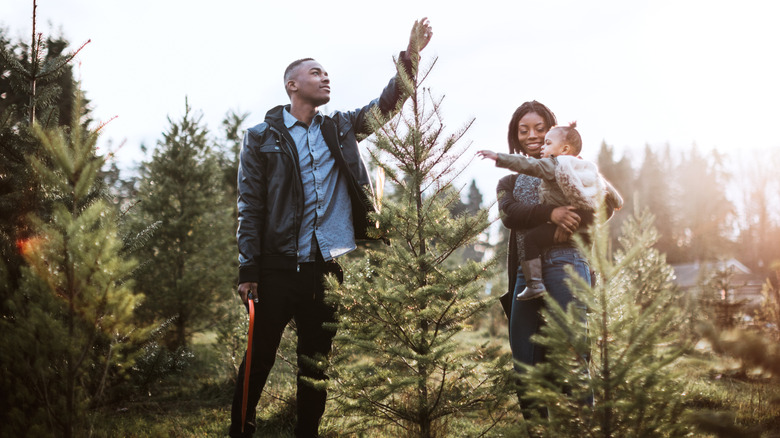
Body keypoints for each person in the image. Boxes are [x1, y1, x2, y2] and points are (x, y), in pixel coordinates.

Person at [230, 19, 433, 438]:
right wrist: (248, 270)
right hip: (275, 268)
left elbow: (387, 105)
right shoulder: (261, 137)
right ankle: (240, 431)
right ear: (292, 85)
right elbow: (249, 206)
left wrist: (410, 57)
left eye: (326, 73)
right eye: (315, 72)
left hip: (325, 271)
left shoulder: (339, 127)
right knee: (259, 360)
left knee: (315, 365)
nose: (326, 78)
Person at [494, 101, 591, 416]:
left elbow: (599, 204)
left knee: (573, 359)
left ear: (553, 130)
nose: (532, 136)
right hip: (526, 275)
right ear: (515, 136)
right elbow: (511, 214)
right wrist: (553, 214)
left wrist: (572, 222)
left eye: (539, 129)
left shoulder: (574, 166)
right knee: (526, 365)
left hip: (567, 265)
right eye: (524, 130)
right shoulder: (508, 181)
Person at [478, 122, 622, 300]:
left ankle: (535, 284)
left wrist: (498, 158)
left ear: (564, 149)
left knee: (531, 239)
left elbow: (528, 165)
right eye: (524, 130)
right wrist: (618, 201)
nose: (541, 146)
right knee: (586, 249)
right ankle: (590, 289)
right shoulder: (584, 166)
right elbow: (604, 186)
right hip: (585, 225)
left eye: (547, 142)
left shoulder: (554, 164)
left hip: (565, 244)